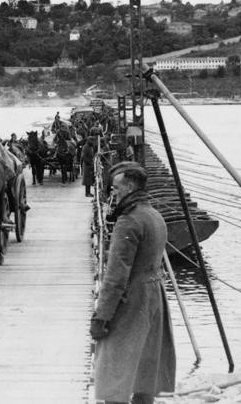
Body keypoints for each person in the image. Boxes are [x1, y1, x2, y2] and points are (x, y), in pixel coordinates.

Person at [91, 162, 176, 404]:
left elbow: (116, 277)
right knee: (145, 372)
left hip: (131, 301)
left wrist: (101, 317)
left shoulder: (129, 221)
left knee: (113, 374)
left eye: (116, 188)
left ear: (129, 187)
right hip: (154, 298)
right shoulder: (154, 215)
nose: (112, 193)